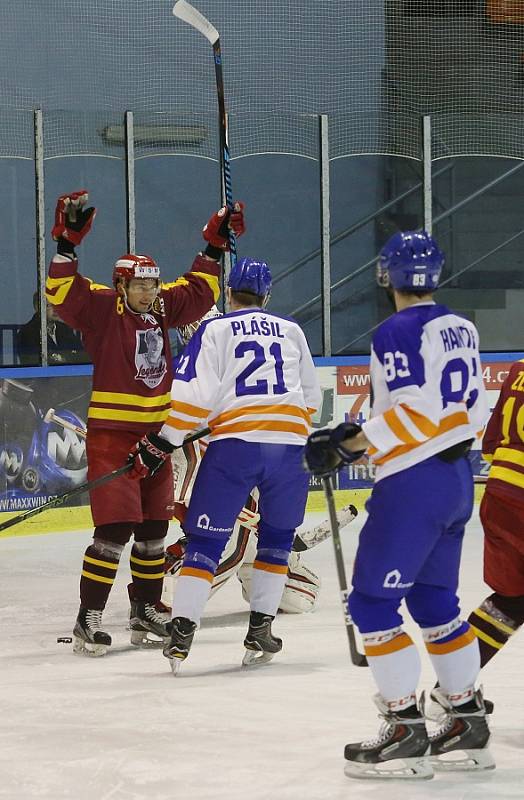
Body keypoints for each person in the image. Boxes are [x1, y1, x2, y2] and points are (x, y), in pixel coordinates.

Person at [304, 231, 494, 780]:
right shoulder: (462, 325)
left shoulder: (397, 329)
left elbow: (413, 412)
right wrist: (354, 433)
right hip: (457, 479)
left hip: (413, 484)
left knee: (371, 606)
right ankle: (467, 721)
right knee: (437, 605)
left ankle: (405, 730)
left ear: (386, 275)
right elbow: (466, 410)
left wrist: (349, 445)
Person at [45, 189, 245, 656]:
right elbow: (61, 293)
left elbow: (199, 290)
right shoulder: (100, 309)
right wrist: (67, 245)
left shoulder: (161, 309)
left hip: (157, 439)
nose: (149, 292)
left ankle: (146, 608)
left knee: (155, 529)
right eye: (140, 285)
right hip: (112, 437)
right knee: (114, 529)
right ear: (120, 286)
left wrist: (214, 244)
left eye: (153, 284)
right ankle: (88, 617)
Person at [127, 257, 322, 673]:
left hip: (236, 449)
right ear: (267, 296)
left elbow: (191, 399)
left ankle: (181, 634)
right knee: (275, 543)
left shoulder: (215, 329)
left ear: (228, 293)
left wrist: (163, 441)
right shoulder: (292, 331)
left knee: (205, 544)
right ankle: (261, 630)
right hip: (290, 451)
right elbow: (311, 400)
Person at [468, 359, 524, 672]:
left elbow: (490, 446)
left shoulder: (518, 370)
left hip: (500, 497)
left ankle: (452, 689)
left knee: (510, 601)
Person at [17, 291, 87, 365]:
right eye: (49, 305)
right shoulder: (26, 333)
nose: (55, 309)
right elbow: (33, 362)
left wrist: (62, 358)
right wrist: (67, 357)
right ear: (38, 308)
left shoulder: (64, 329)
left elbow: (82, 355)